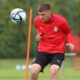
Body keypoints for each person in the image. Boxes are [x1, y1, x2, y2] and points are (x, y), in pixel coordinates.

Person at [30, 3, 74, 80]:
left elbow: (68, 32)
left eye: (43, 14)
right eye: (39, 14)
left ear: (49, 13)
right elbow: (40, 32)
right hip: (43, 51)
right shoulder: (37, 20)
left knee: (54, 70)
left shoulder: (61, 21)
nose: (40, 17)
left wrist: (70, 42)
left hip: (58, 51)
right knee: (33, 71)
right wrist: (38, 37)